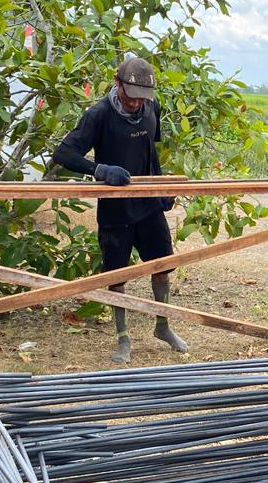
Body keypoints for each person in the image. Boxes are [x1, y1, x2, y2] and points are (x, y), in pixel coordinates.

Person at [53, 57, 188, 364]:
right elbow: (63, 153)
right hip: (115, 209)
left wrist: (159, 185)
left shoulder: (151, 108)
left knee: (162, 265)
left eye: (142, 99)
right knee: (117, 273)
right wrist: (99, 169)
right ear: (117, 84)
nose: (136, 105)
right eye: (130, 98)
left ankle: (163, 325)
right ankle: (122, 337)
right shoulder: (99, 114)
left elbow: (149, 150)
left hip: (147, 203)